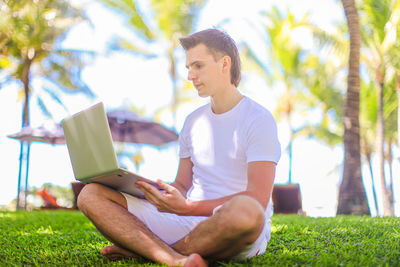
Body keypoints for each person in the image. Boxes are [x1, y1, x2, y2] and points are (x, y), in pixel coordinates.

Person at [77, 28, 281, 267]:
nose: (190, 75)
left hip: (232, 223)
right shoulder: (193, 121)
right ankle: (174, 259)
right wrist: (155, 192)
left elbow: (257, 197)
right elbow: (183, 185)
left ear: (224, 64)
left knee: (247, 211)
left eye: (198, 66)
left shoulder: (258, 119)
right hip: (186, 221)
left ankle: (144, 251)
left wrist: (187, 208)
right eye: (188, 68)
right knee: (90, 194)